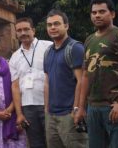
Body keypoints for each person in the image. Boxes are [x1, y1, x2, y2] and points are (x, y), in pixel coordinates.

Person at [76, 0, 118, 148]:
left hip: (114, 106)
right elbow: (85, 75)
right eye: (94, 12)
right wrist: (81, 107)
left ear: (112, 14)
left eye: (102, 11)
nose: (97, 15)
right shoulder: (89, 40)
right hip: (93, 108)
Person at [43, 10, 88, 147]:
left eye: (57, 24)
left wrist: (77, 108)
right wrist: (46, 110)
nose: (53, 28)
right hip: (51, 116)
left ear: (66, 26)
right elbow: (47, 82)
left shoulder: (75, 48)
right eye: (49, 25)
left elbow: (82, 81)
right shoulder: (48, 52)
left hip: (69, 114)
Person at [9, 18, 51, 148]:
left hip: (49, 103)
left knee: (54, 141)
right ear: (16, 33)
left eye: (26, 29)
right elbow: (15, 87)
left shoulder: (48, 47)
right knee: (35, 143)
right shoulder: (15, 57)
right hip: (28, 107)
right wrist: (19, 113)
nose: (23, 33)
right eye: (19, 30)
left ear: (33, 30)